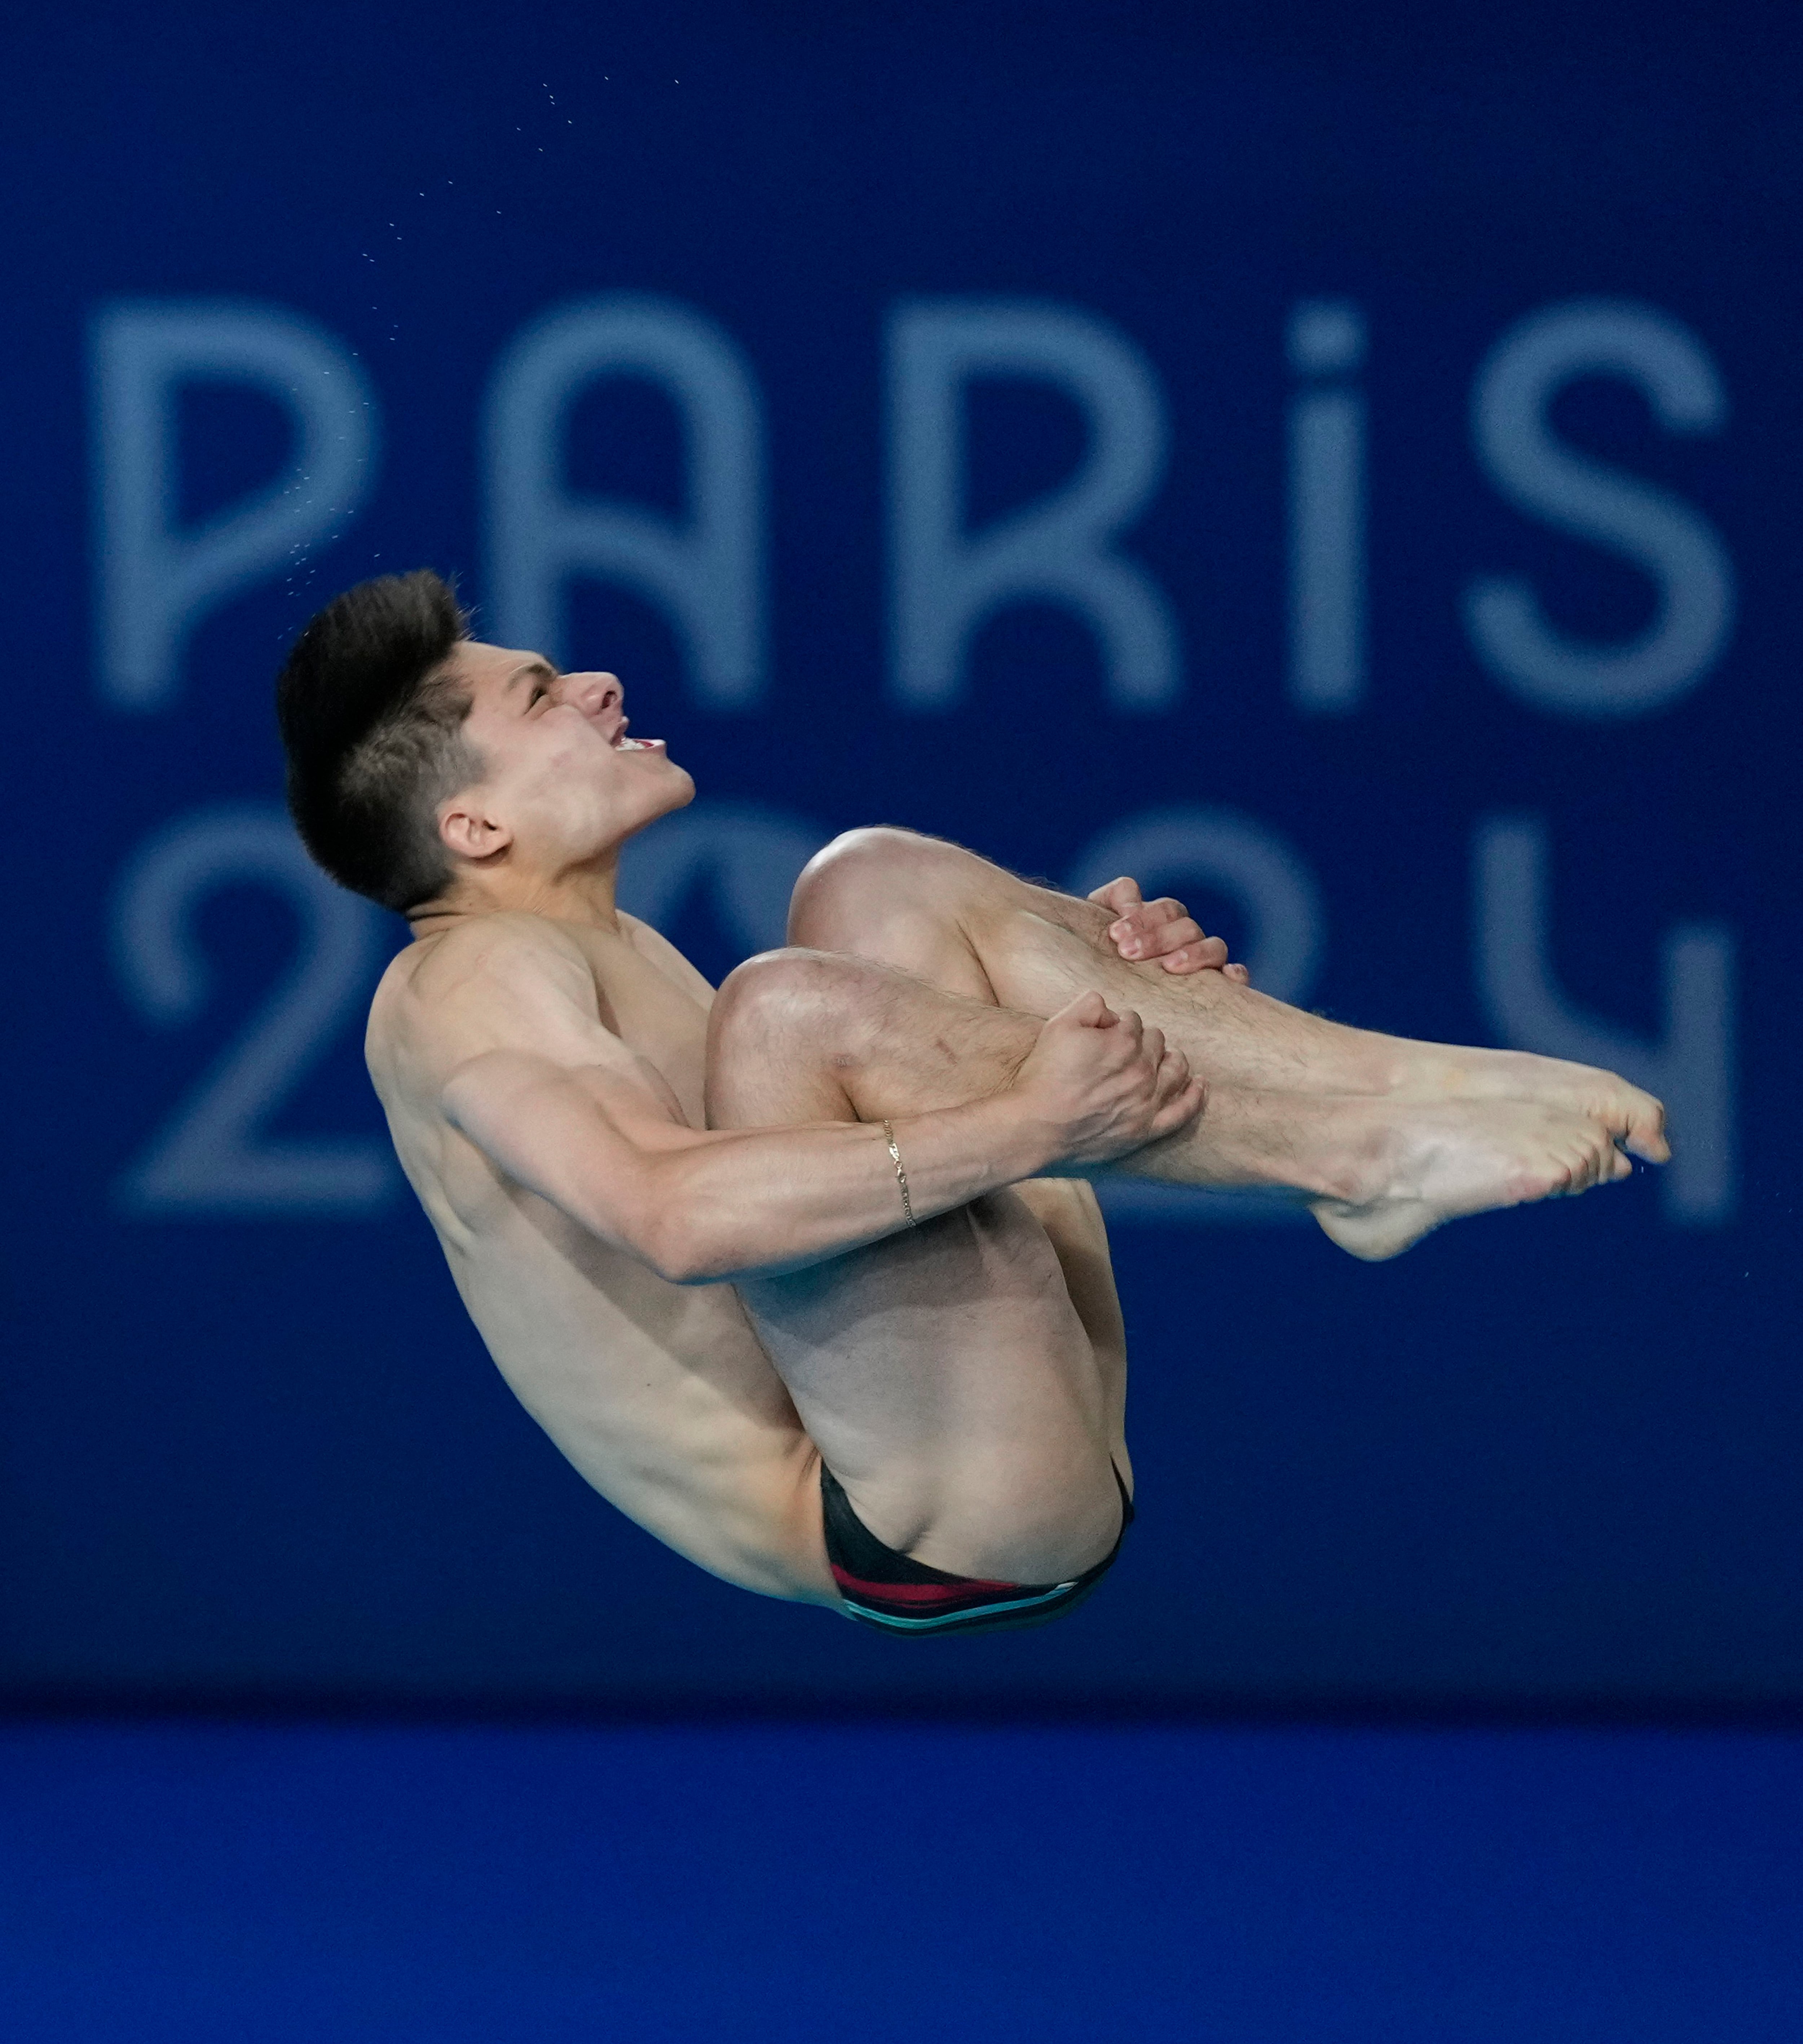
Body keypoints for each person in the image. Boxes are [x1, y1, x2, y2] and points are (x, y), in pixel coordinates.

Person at [277, 571, 1666, 1633]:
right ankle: (1366, 1144)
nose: (598, 682)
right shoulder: (463, 987)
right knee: (788, 1006)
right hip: (905, 1515)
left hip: (983, 1405)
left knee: (874, 878)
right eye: (539, 696)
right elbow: (672, 1216)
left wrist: (1102, 980)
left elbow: (908, 1109)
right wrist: (1035, 1117)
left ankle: (1355, 1121)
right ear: (473, 828)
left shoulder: (614, 948)